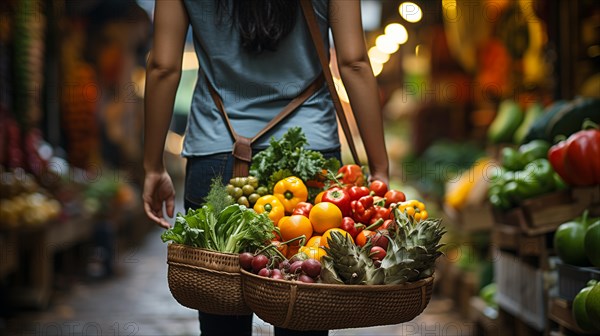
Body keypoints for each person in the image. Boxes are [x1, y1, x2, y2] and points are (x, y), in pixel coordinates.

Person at [142, 1, 389, 335]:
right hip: (308, 157)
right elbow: (354, 62)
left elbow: (163, 67)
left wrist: (153, 166)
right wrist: (379, 169)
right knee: (304, 310)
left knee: (221, 317)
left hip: (217, 151)